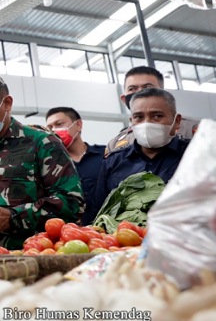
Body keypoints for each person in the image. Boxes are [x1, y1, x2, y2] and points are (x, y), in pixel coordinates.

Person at [0, 71, 84, 252]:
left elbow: (73, 203)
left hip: (34, 258)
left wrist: (14, 217)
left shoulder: (42, 143)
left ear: (7, 103)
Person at [91, 88, 189, 223]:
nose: (146, 123)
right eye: (139, 117)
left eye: (157, 116)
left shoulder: (194, 155)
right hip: (125, 240)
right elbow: (98, 210)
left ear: (177, 121)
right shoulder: (114, 161)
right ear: (131, 122)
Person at [107, 66, 199, 153]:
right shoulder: (116, 143)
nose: (140, 93)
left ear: (163, 93)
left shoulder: (193, 129)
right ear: (124, 99)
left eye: (148, 87)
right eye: (132, 88)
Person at [45, 107, 105, 226]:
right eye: (50, 128)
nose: (54, 130)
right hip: (72, 233)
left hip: (108, 228)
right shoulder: (50, 165)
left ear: (78, 124)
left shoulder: (105, 155)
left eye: (59, 124)